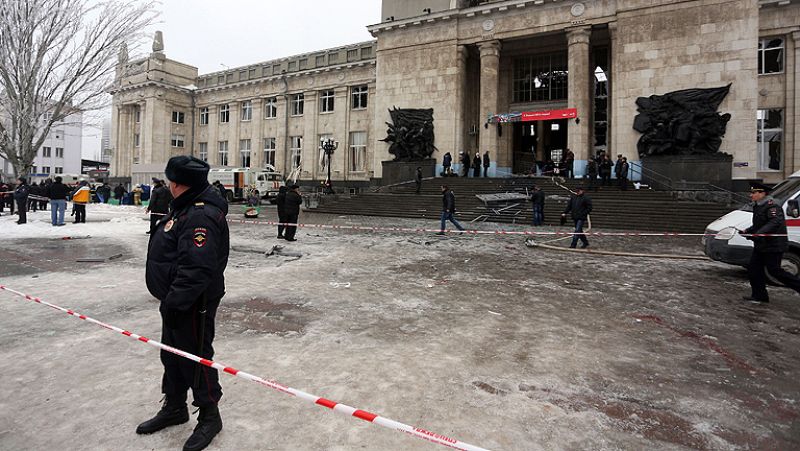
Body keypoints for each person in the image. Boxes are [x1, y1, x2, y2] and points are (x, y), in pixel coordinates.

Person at [140, 156, 229, 451]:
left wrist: (176, 301)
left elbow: (197, 268)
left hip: (192, 302)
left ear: (177, 183)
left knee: (196, 358)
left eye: (170, 180)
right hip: (177, 300)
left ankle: (209, 415)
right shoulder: (185, 207)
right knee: (172, 356)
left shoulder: (200, 215)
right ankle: (176, 406)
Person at [740, 183, 800, 304]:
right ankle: (759, 295)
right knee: (754, 269)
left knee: (775, 271)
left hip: (773, 245)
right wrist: (749, 231)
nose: (751, 195)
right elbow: (760, 224)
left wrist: (759, 233)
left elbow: (774, 222)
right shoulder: (758, 206)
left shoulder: (772, 206)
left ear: (762, 194)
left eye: (754, 193)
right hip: (762, 245)